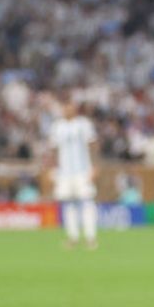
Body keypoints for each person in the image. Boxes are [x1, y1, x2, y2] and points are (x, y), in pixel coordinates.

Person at [49, 98, 99, 249]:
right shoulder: (57, 126)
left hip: (83, 170)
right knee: (68, 204)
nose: (68, 110)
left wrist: (95, 166)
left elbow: (93, 145)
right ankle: (73, 237)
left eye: (70, 107)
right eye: (65, 108)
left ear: (75, 109)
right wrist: (52, 169)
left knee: (87, 202)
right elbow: (53, 150)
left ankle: (90, 237)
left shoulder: (84, 124)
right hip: (64, 172)